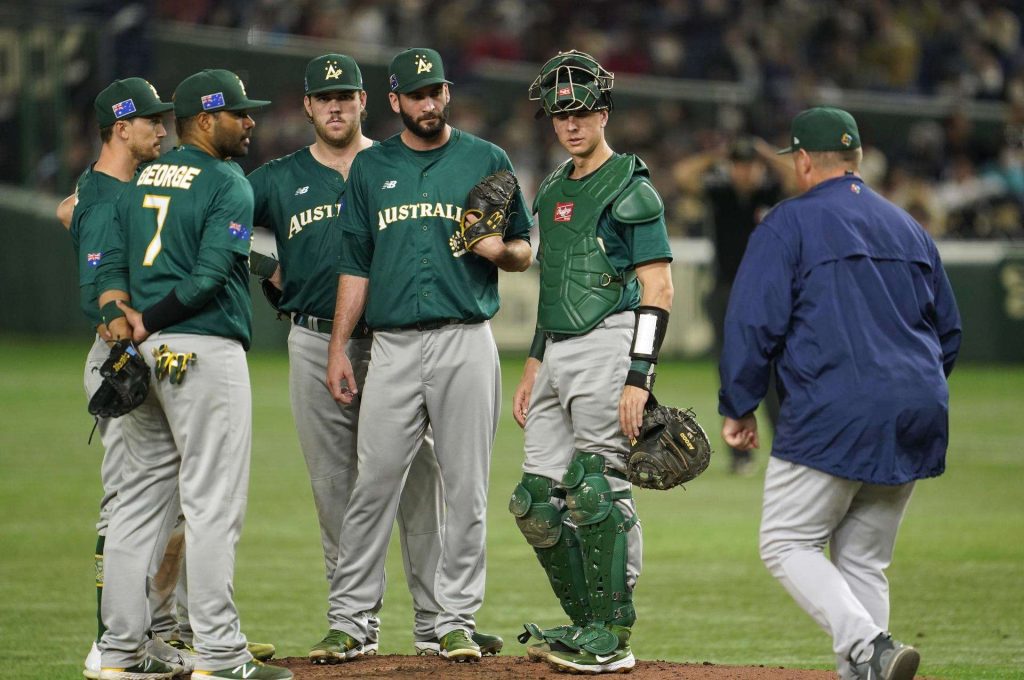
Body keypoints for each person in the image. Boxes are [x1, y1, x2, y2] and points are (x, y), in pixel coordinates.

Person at [245, 53, 497, 661]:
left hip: (396, 336)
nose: (335, 105)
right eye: (323, 96)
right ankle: (355, 621)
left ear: (365, 101)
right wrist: (263, 267)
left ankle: (440, 621)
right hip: (318, 335)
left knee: (428, 486)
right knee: (343, 487)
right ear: (306, 105)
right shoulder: (281, 178)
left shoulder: (397, 164)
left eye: (345, 95)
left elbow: (507, 240)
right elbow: (219, 226)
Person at [718, 107, 961, 680]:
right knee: (864, 562)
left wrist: (739, 403)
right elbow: (947, 330)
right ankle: (870, 665)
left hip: (837, 409)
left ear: (802, 160)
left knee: (785, 542)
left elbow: (753, 322)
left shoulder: (787, 223)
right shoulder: (909, 227)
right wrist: (906, 390)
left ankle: (870, 646)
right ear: (855, 159)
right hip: (916, 408)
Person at [323, 47, 532, 663]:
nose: (429, 103)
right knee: (373, 485)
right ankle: (351, 622)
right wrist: (339, 346)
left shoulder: (483, 159)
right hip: (389, 345)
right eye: (416, 94)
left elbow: (524, 249)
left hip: (466, 339)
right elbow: (355, 264)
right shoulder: (371, 168)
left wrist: (499, 251)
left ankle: (456, 621)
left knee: (466, 489)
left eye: (436, 91)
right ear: (394, 101)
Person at [94, 69, 291, 680]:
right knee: (212, 507)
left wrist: (124, 318)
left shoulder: (141, 178)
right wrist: (151, 320)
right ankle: (221, 655)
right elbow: (208, 278)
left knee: (134, 507)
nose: (251, 120)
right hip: (200, 352)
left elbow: (109, 258)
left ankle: (119, 654)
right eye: (240, 112)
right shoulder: (227, 181)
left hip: (141, 354)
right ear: (206, 120)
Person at [510, 50, 674, 675]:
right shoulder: (552, 186)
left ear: (604, 113)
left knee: (597, 487)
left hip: (609, 342)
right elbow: (554, 286)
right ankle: (583, 621)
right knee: (535, 499)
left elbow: (658, 289)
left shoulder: (632, 187)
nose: (571, 124)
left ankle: (614, 630)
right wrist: (532, 365)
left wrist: (640, 377)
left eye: (581, 112)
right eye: (560, 114)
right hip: (554, 351)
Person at [59, 77, 200, 680]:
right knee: (125, 505)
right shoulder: (101, 193)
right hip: (121, 354)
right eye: (151, 122)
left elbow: (68, 209)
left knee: (172, 509)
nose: (163, 129)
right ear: (122, 128)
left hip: (152, 351)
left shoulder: (126, 186)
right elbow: (98, 287)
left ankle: (150, 633)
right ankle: (109, 643)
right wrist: (121, 333)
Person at [674, 135, 794, 474]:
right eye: (738, 164)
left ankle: (786, 451)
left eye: (749, 164)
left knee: (773, 373)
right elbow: (683, 175)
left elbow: (799, 179)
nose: (744, 171)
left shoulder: (769, 193)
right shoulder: (720, 193)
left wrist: (767, 153)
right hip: (726, 293)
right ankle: (740, 454)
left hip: (767, 296)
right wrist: (716, 154)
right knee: (734, 375)